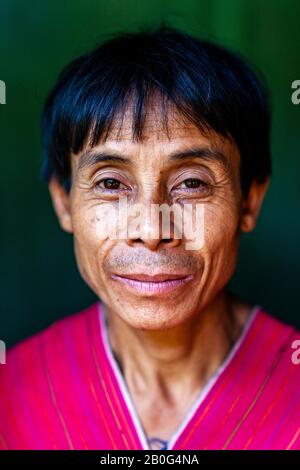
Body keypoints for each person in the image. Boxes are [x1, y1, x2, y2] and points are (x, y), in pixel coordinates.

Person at [0, 27, 299, 450]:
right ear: (64, 202)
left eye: (192, 183)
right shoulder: (12, 395)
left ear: (249, 201)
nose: (152, 231)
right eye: (109, 183)